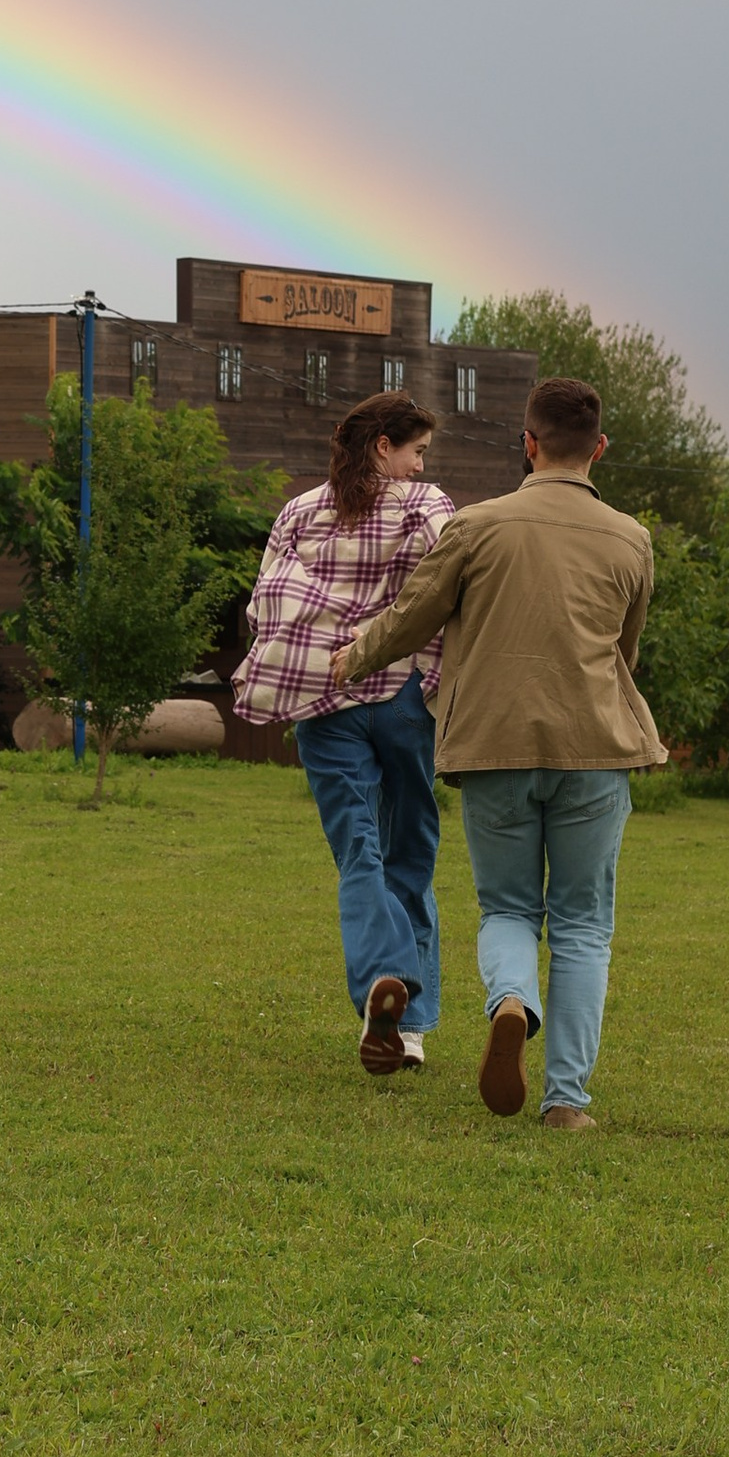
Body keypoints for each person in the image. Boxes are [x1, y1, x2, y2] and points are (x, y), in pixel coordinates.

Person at [333, 374, 665, 1129]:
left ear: (527, 444)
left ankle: (512, 999)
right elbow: (627, 651)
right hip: (595, 752)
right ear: (599, 449)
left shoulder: (478, 525)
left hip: (493, 748)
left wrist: (353, 656)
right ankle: (567, 1102)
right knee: (582, 924)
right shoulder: (632, 539)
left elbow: (414, 617)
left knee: (508, 906)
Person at [232, 392, 453, 1074]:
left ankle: (382, 980)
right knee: (408, 851)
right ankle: (410, 1024)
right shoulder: (426, 508)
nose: (419, 467)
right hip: (403, 695)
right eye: (415, 451)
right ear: (383, 445)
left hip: (321, 702)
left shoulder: (298, 511)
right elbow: (449, 596)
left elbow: (264, 603)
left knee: (358, 852)